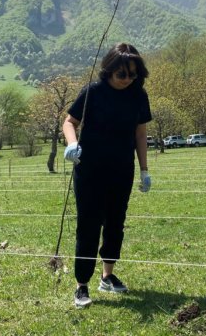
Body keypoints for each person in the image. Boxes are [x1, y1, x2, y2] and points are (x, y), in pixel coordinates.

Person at [62, 42, 152, 308]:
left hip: (122, 169)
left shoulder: (138, 95)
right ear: (108, 70)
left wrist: (145, 170)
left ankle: (108, 276)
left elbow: (140, 133)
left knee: (115, 223)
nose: (127, 80)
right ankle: (81, 285)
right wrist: (71, 143)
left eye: (133, 74)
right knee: (89, 225)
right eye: (122, 74)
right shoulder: (92, 92)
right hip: (89, 170)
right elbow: (70, 121)